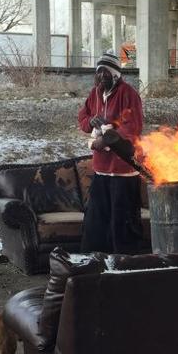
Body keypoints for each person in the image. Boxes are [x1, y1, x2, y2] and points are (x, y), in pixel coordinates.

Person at [77, 51, 145, 254]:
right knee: (96, 221)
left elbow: (133, 129)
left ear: (115, 74)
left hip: (123, 171)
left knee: (122, 224)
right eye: (98, 73)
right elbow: (83, 117)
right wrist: (90, 121)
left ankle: (126, 266)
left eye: (105, 73)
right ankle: (94, 263)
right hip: (101, 170)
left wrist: (104, 140)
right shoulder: (95, 93)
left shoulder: (128, 94)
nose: (100, 77)